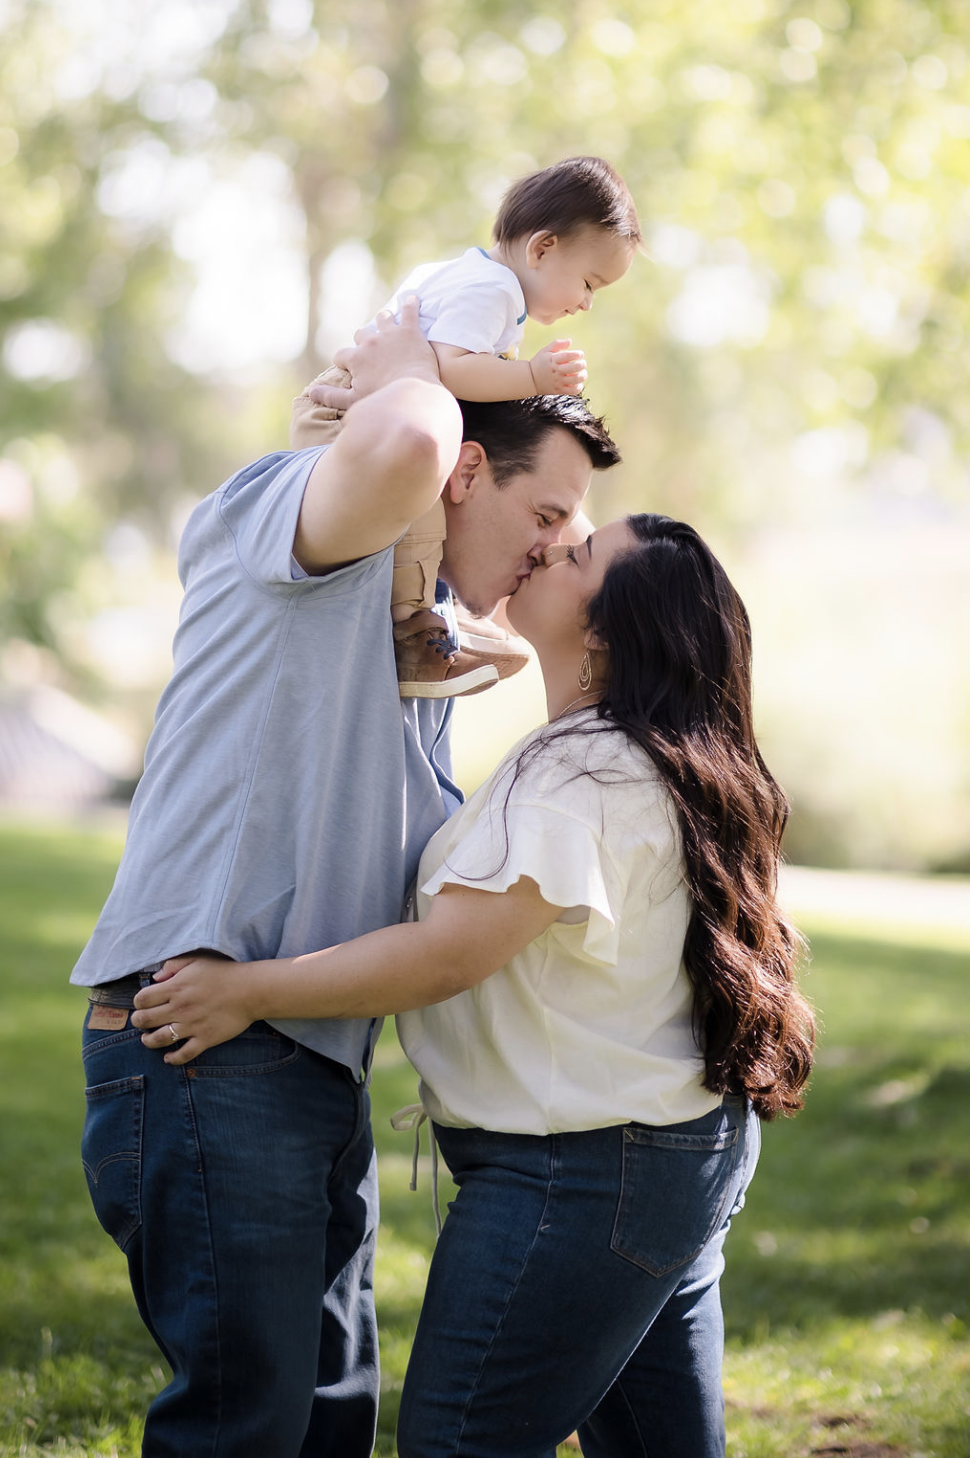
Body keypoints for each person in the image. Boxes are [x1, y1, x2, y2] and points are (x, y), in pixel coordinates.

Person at [131, 513, 816, 1458]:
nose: (550, 544)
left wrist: (249, 990)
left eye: (576, 553)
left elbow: (450, 953)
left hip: (581, 1176)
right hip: (670, 1152)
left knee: (460, 1441)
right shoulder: (640, 756)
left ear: (610, 631)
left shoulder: (578, 772)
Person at [72, 301, 621, 1458]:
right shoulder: (305, 521)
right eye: (547, 514)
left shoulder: (410, 636)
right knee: (248, 1430)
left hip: (300, 1061)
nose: (552, 546)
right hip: (201, 1043)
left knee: (327, 1422)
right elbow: (409, 445)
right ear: (466, 472)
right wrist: (409, 370)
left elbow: (516, 637)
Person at [292, 155, 640, 698]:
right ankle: (414, 628)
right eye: (589, 282)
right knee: (422, 502)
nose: (588, 303)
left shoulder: (472, 279)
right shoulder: (493, 291)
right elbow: (449, 370)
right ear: (542, 248)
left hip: (377, 407)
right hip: (353, 408)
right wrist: (530, 375)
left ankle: (433, 615)